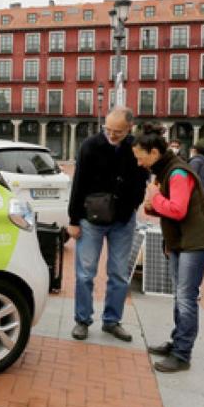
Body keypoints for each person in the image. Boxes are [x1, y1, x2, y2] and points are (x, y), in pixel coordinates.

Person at [134, 123, 204, 373]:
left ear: (153, 153)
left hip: (195, 242)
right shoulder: (163, 171)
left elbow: (177, 209)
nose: (139, 163)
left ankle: (182, 354)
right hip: (180, 242)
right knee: (180, 297)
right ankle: (176, 342)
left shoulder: (178, 173)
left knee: (186, 298)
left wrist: (154, 197)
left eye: (140, 158)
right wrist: (153, 202)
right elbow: (160, 207)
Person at [66, 106, 147, 343]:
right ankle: (82, 320)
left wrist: (134, 204)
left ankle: (112, 321)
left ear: (129, 128)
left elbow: (142, 179)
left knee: (120, 274)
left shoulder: (134, 147)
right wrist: (73, 220)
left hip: (123, 220)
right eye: (108, 129)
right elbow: (78, 182)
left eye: (118, 132)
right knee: (84, 274)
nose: (111, 135)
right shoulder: (90, 145)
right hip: (90, 219)